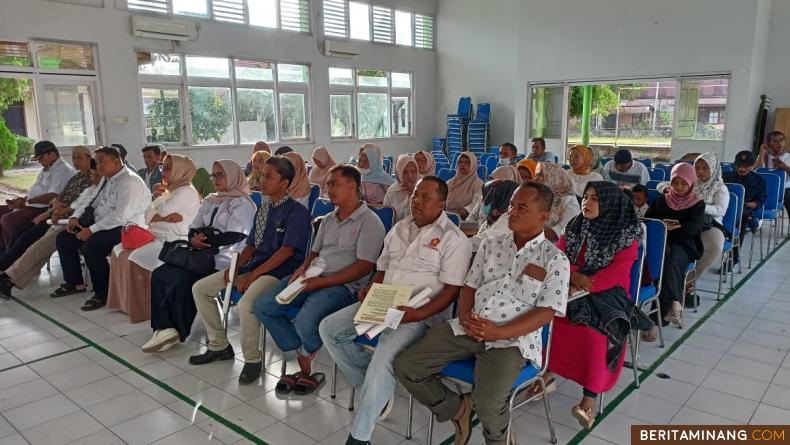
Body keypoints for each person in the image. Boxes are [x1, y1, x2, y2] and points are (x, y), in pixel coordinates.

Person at [394, 182, 570, 445]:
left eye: (521, 207)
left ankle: (497, 439)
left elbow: (546, 312)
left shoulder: (555, 260)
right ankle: (458, 409)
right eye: (511, 204)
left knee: (489, 404)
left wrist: (499, 332)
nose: (511, 211)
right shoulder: (491, 244)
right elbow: (470, 286)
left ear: (543, 217)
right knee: (406, 366)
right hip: (470, 325)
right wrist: (465, 316)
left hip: (512, 340)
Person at [319, 176, 472, 445]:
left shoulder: (453, 239)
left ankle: (360, 435)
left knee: (386, 351)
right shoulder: (399, 228)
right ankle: (375, 387)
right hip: (384, 301)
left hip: (420, 313)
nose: (417, 201)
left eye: (426, 197)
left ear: (442, 203)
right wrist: (371, 289)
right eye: (415, 195)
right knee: (329, 328)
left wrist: (417, 315)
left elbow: (451, 292)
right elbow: (382, 269)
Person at [254, 165, 386, 395]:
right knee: (263, 306)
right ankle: (301, 355)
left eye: (334, 183)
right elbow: (314, 253)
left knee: (306, 320)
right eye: (328, 184)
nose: (328, 189)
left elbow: (364, 267)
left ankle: (305, 360)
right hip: (313, 277)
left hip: (343, 287)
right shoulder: (328, 220)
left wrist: (321, 283)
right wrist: (303, 269)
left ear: (352, 186)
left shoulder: (369, 222)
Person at [190, 156, 311, 384]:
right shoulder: (264, 209)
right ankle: (219, 345)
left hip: (280, 272)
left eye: (269, 176)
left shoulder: (297, 212)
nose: (261, 180)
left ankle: (252, 360)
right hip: (255, 266)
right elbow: (252, 245)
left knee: (247, 304)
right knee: (201, 288)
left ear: (284, 183)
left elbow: (286, 252)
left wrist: (252, 275)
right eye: (261, 175)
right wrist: (236, 269)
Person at [544, 181, 650, 429]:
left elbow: (616, 274)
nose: (586, 203)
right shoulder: (575, 225)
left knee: (593, 332)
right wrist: (572, 276)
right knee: (544, 318)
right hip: (571, 286)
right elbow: (557, 257)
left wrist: (581, 281)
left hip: (607, 294)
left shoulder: (625, 234)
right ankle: (548, 373)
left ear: (610, 205)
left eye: (594, 199)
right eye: (586, 197)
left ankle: (589, 399)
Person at [143, 160, 256, 353]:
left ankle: (177, 329)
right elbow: (193, 225)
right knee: (160, 273)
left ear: (233, 176)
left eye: (221, 174)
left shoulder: (243, 203)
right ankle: (163, 327)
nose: (216, 179)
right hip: (200, 253)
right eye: (214, 175)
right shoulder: (212, 199)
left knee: (182, 278)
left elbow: (236, 234)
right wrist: (195, 238)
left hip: (224, 258)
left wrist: (204, 238)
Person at [54, 146, 151, 310]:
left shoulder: (130, 181)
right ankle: (75, 282)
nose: (98, 166)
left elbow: (121, 216)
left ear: (116, 161)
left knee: (92, 246)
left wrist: (91, 230)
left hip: (127, 229)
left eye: (102, 162)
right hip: (102, 225)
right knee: (64, 239)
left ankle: (103, 293)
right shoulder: (107, 178)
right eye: (97, 162)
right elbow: (90, 199)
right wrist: (75, 216)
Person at [107, 154, 200, 322]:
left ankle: (144, 308)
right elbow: (147, 215)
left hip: (173, 240)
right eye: (163, 167)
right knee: (118, 250)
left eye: (168, 168)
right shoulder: (171, 190)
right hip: (154, 235)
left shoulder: (186, 191)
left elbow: (160, 210)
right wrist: (160, 214)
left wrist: (157, 205)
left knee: (133, 258)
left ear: (181, 170)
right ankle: (125, 303)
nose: (163, 171)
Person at [0, 156, 100, 300]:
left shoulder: (108, 185)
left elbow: (94, 211)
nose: (92, 176)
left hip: (86, 225)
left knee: (41, 245)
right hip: (68, 220)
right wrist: (59, 212)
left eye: (95, 173)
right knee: (35, 244)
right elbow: (78, 204)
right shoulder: (91, 186)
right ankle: (8, 278)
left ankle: (7, 277)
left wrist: (64, 213)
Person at [644, 163, 704, 334]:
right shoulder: (662, 201)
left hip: (685, 245)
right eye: (675, 183)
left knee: (668, 260)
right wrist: (663, 227)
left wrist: (670, 228)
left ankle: (656, 321)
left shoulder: (697, 204)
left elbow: (692, 230)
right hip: (663, 243)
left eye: (683, 184)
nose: (678, 188)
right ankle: (675, 302)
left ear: (691, 183)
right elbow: (648, 222)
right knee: (665, 260)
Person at [0, 141, 76, 251]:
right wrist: (22, 200)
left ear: (52, 155)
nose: (39, 162)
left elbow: (52, 196)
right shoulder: (47, 168)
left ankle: (12, 255)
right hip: (33, 205)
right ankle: (3, 252)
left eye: (41, 158)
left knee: (8, 220)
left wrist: (27, 202)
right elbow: (37, 190)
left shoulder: (61, 170)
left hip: (43, 209)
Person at [723, 150, 767, 269]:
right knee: (741, 212)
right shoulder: (726, 176)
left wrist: (752, 204)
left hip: (745, 209)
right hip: (725, 208)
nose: (741, 169)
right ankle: (751, 220)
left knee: (740, 219)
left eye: (746, 166)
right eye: (739, 166)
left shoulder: (759, 181)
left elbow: (761, 200)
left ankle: (733, 259)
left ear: (752, 165)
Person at [691, 153, 729, 284]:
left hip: (710, 224)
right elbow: (662, 185)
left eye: (704, 168)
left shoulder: (720, 188)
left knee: (715, 247)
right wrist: (666, 188)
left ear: (713, 169)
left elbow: (721, 210)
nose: (700, 172)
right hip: (689, 220)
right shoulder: (691, 182)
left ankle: (689, 282)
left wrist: (700, 207)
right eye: (697, 168)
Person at [535, 162, 581, 242]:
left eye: (540, 175)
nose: (535, 179)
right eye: (536, 175)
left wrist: (529, 236)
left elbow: (563, 230)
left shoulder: (569, 201)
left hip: (556, 248)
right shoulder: (537, 198)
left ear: (554, 178)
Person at [469, 180, 520, 251]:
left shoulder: (508, 220)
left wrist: (461, 243)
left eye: (495, 196)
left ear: (504, 198)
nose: (486, 201)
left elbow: (486, 239)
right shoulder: (493, 216)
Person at [758, 131, 790, 214]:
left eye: (782, 140)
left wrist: (785, 168)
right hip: (766, 188)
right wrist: (762, 153)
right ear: (769, 144)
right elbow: (757, 172)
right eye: (775, 141)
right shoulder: (765, 156)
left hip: (785, 189)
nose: (779, 143)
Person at [446, 152, 483, 219]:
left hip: (466, 218)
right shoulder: (450, 182)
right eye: (460, 162)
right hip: (447, 215)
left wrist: (462, 212)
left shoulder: (478, 184)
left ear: (473, 165)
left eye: (466, 162)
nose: (462, 165)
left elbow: (475, 205)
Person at [383, 155, 419, 222]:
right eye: (405, 172)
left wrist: (413, 193)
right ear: (399, 172)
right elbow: (386, 215)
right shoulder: (392, 190)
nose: (410, 176)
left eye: (413, 171)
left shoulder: (423, 189)